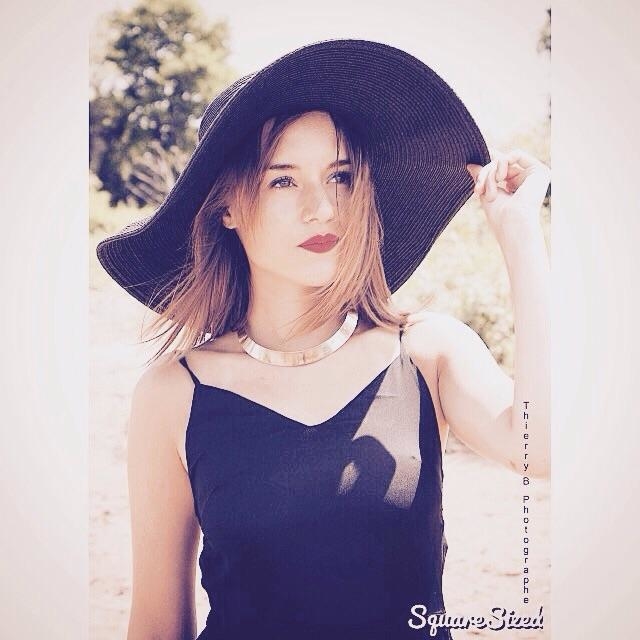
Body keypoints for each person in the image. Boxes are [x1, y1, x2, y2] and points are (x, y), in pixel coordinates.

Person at [96, 39, 551, 640]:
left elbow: (542, 449)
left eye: (340, 175)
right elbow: (158, 625)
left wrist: (520, 235)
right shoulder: (173, 393)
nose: (322, 208)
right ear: (227, 206)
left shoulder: (426, 352)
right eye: (282, 181)